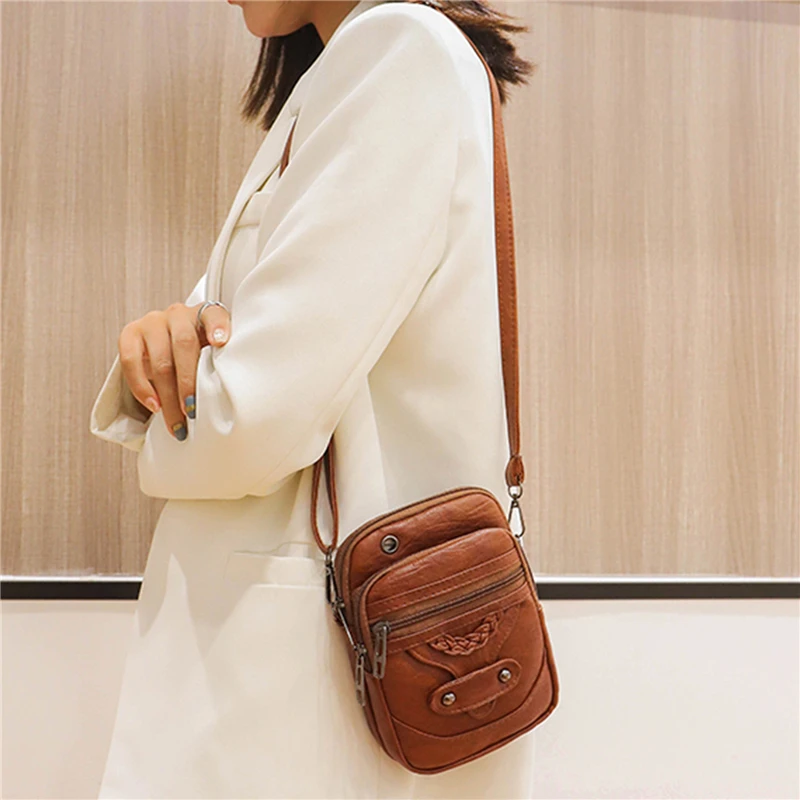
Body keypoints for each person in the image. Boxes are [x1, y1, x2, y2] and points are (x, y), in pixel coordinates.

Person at [90, 0, 536, 796]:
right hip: (305, 673)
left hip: (310, 686)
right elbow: (222, 363)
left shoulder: (399, 53)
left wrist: (180, 402)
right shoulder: (350, 72)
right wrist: (160, 352)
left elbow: (248, 423)